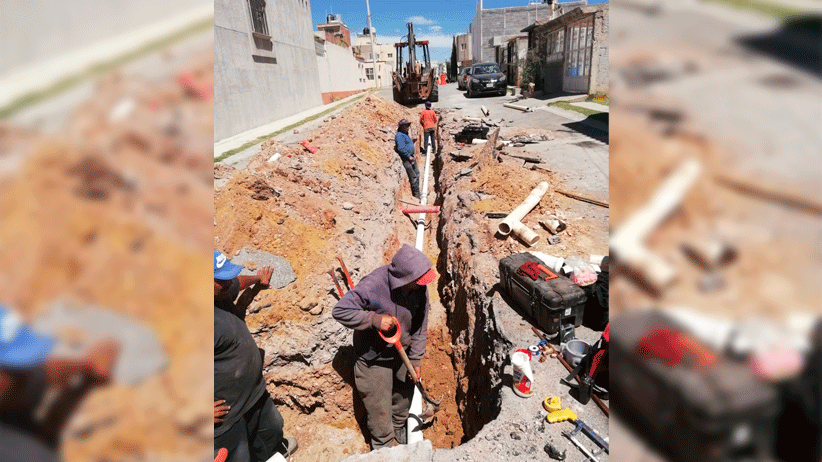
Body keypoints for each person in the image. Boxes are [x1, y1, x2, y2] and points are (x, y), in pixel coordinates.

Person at [332, 244, 435, 449]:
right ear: (404, 279)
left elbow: (421, 325)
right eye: (417, 282)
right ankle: (384, 448)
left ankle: (399, 429)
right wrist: (374, 319)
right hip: (373, 359)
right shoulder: (373, 285)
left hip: (401, 353)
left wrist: (415, 359)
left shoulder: (419, 288)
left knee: (403, 401)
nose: (421, 286)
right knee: (379, 415)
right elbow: (340, 310)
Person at [0, 305, 119, 462]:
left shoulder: (16, 380)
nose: (28, 374)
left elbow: (46, 370)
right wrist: (80, 388)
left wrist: (86, 366)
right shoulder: (22, 454)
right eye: (17, 369)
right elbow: (41, 444)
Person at [213, 250, 297, 462]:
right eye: (221, 279)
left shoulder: (218, 291)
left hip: (255, 395)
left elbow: (237, 283)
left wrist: (257, 279)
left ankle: (271, 455)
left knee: (272, 430)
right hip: (227, 415)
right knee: (238, 456)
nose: (228, 283)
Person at [394, 119, 420, 200]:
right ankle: (416, 195)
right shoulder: (399, 135)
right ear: (402, 127)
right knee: (413, 177)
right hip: (407, 159)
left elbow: (405, 144)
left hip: (411, 157)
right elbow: (400, 148)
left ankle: (418, 192)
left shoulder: (405, 134)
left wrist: (412, 141)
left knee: (417, 173)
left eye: (408, 125)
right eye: (406, 125)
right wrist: (408, 156)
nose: (408, 127)